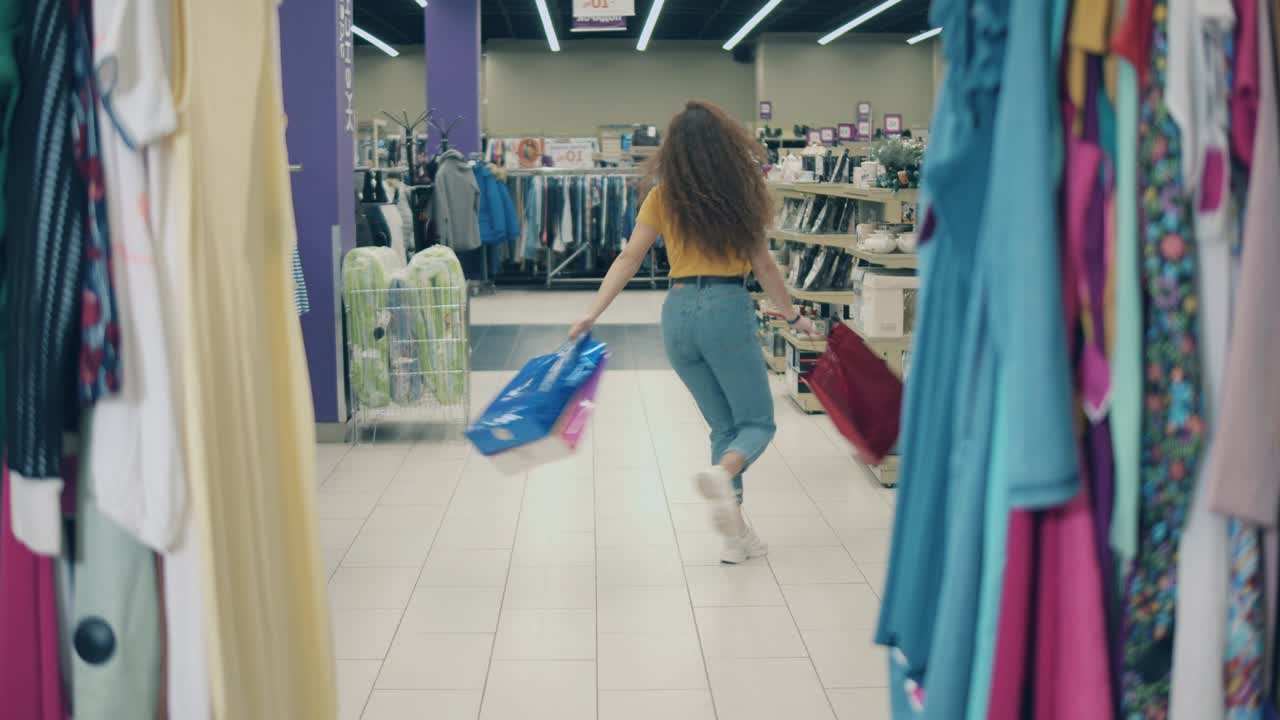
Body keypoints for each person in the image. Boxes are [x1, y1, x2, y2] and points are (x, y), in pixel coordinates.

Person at [569, 100, 818, 564]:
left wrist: (591, 313)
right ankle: (725, 476)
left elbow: (629, 257)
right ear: (726, 145)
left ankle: (736, 539)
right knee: (757, 424)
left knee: (724, 426)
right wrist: (792, 317)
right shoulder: (741, 196)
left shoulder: (663, 197)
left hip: (677, 313)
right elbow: (764, 266)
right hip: (725, 309)